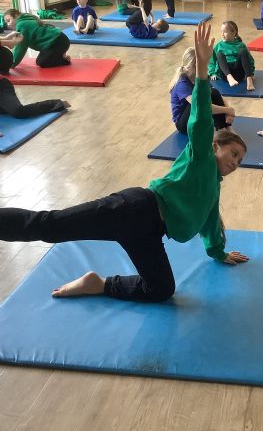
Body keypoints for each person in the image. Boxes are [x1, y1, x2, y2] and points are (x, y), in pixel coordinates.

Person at [0, 23, 248, 302]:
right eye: (233, 153)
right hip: (133, 209)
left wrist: (218, 253)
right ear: (215, 146)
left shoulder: (213, 187)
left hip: (150, 234)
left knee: (161, 290)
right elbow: (200, 118)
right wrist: (202, 69)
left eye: (240, 160)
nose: (236, 162)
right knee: (50, 226)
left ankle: (99, 284)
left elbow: (211, 223)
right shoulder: (200, 156)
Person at [0, 34, 70, 118]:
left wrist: (8, 41)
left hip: (2, 87)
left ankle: (57, 103)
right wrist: (7, 40)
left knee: (18, 111)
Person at [171, 46, 236, 134]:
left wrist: (228, 111)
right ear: (196, 65)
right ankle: (222, 131)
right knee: (199, 101)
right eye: (205, 64)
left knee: (213, 92)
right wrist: (227, 110)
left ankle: (224, 128)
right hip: (184, 125)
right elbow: (201, 107)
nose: (207, 67)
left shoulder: (200, 76)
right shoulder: (182, 83)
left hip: (196, 116)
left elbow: (216, 94)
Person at [3, 9, 71, 68]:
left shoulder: (21, 25)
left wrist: (12, 63)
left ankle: (64, 60)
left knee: (41, 62)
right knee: (40, 60)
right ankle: (59, 54)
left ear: (16, 16)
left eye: (9, 20)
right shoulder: (26, 19)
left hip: (58, 42)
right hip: (59, 40)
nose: (8, 24)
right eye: (6, 22)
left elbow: (21, 47)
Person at [208, 21, 255, 91]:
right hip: (225, 74)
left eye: (225, 32)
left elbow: (250, 60)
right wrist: (212, 73)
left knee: (243, 51)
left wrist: (251, 73)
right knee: (219, 54)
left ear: (234, 33)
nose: (222, 34)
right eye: (221, 32)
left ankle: (249, 79)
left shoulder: (241, 45)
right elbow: (212, 60)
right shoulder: (219, 45)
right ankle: (230, 78)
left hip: (238, 73)